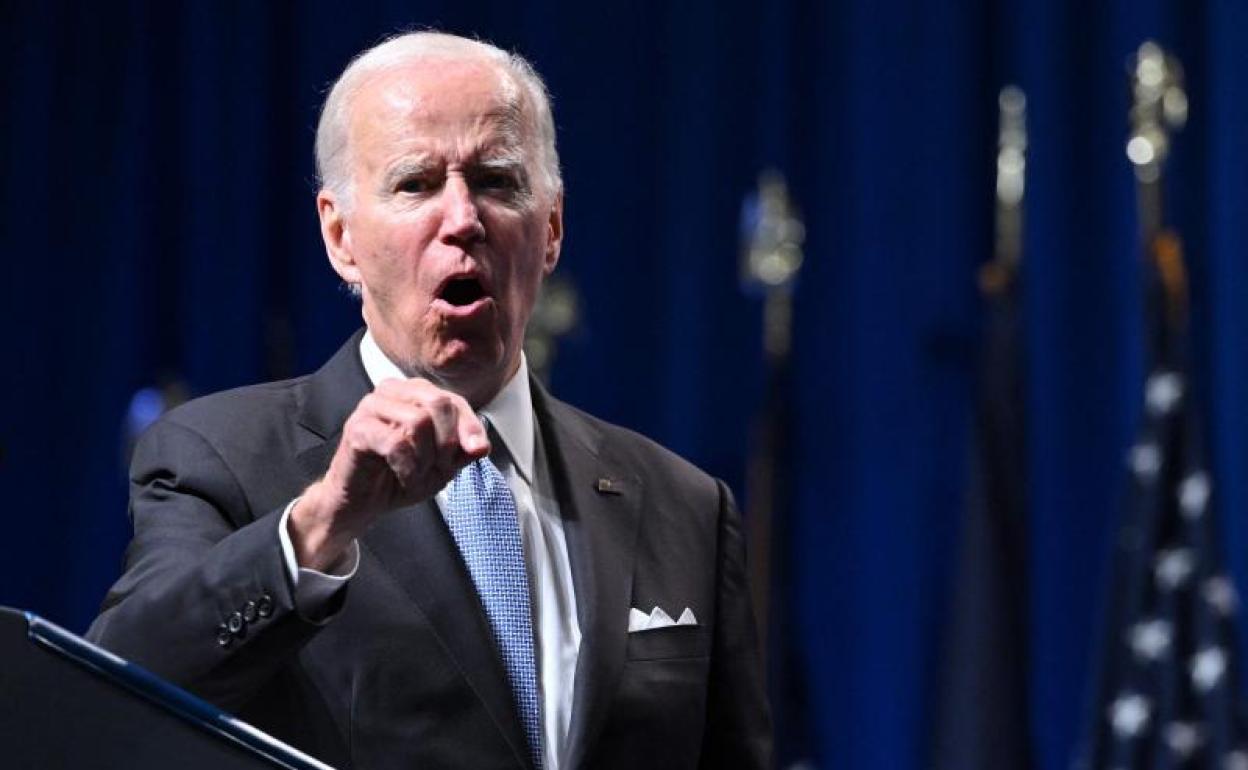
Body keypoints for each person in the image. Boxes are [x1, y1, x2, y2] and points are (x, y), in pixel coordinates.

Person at [88, 31, 771, 770]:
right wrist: (319, 527)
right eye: (416, 184)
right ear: (340, 236)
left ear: (551, 231)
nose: (463, 219)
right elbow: (112, 694)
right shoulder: (220, 458)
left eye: (497, 182)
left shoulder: (686, 507)